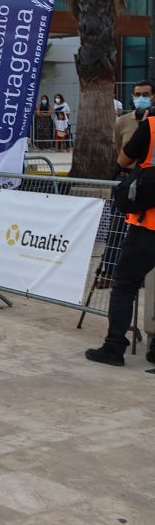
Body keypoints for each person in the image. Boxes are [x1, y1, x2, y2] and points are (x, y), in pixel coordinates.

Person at [85, 104, 155, 367]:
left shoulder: (150, 126)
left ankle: (114, 347)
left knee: (124, 285)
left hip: (148, 225)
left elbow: (123, 161)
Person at [99, 80, 154, 286]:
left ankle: (139, 277)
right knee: (116, 229)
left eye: (146, 94)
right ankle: (109, 272)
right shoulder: (122, 122)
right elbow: (121, 152)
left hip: (148, 186)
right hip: (127, 180)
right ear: (132, 96)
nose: (142, 98)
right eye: (138, 94)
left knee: (142, 236)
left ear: (153, 97)